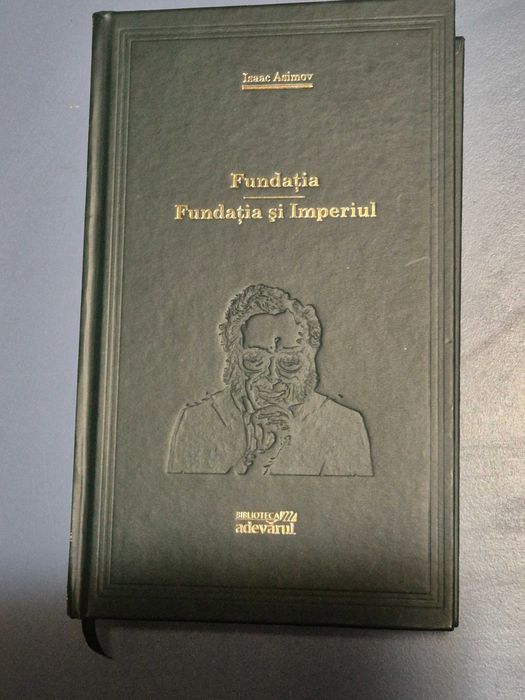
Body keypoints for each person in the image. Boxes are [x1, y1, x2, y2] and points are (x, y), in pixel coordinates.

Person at [167, 284, 373, 476]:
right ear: (233, 357)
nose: (273, 378)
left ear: (310, 359)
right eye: (255, 360)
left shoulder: (343, 425)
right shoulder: (198, 421)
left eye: (289, 362)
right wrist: (256, 463)